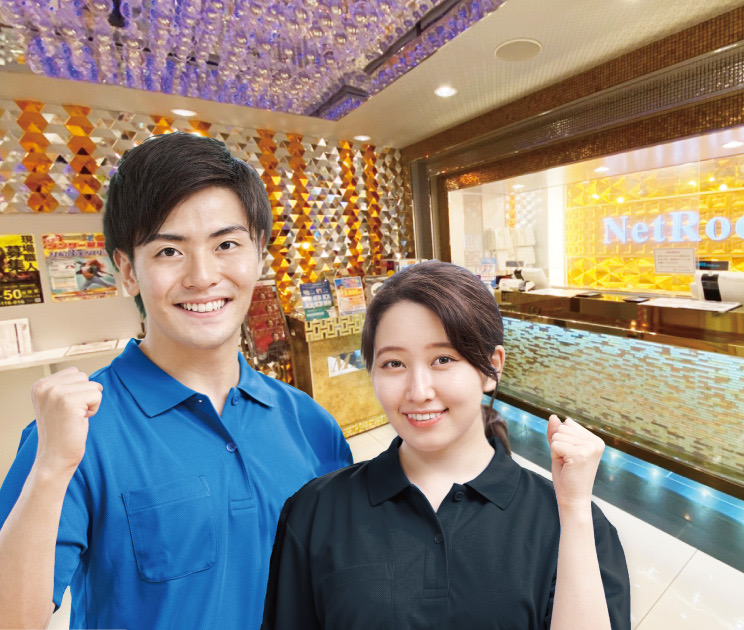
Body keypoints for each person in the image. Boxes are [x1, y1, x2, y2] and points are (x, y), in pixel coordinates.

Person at [0, 132, 353, 629]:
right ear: (127, 271)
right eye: (169, 251)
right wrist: (51, 468)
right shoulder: (73, 435)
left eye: (226, 244)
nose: (202, 276)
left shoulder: (312, 424)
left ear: (259, 255)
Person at [262, 260, 630, 629]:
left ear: (491, 368)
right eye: (394, 364)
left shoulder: (572, 523)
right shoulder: (313, 512)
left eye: (443, 359)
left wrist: (574, 511)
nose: (419, 391)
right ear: (371, 372)